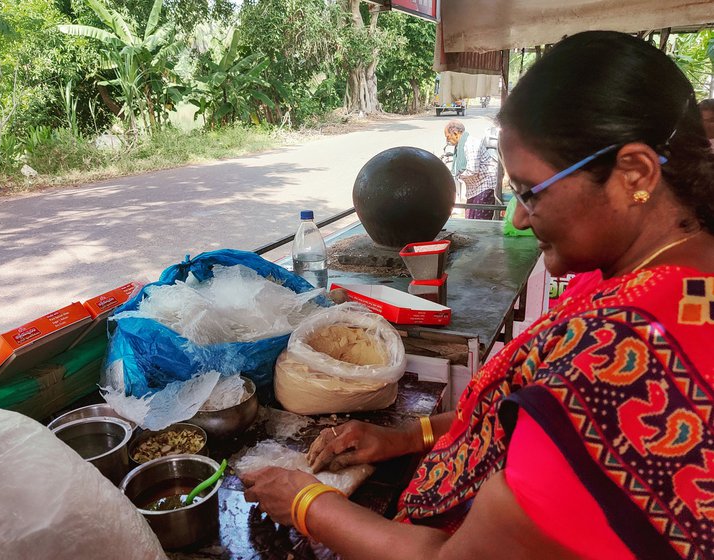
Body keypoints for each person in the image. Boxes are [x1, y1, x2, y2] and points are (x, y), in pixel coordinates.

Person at [242, 30, 714, 560]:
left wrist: (308, 503)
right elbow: (514, 426)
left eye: (532, 192)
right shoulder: (662, 274)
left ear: (634, 174)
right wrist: (404, 437)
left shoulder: (616, 364)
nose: (516, 216)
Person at [459, 125, 499, 219]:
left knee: (479, 219)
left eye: (448, 136)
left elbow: (473, 170)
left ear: (456, 134)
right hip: (475, 188)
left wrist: (458, 177)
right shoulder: (461, 146)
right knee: (469, 217)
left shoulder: (470, 144)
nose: (448, 140)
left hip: (485, 185)